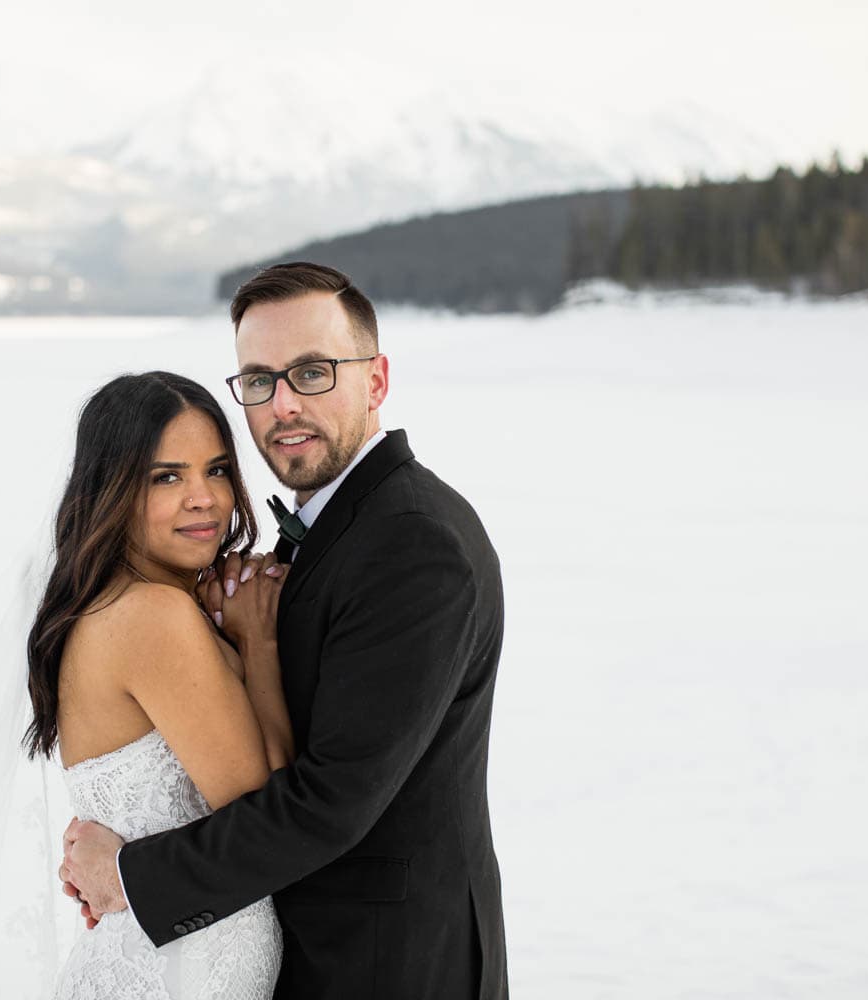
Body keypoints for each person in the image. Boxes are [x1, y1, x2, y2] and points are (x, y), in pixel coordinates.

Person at [62, 262, 509, 999]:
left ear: (376, 379)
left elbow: (328, 802)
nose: (282, 404)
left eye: (311, 372)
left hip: (388, 967)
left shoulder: (414, 544)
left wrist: (130, 874)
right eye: (260, 380)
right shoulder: (328, 535)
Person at [25, 371, 292, 998]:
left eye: (218, 470)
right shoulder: (152, 617)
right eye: (166, 477)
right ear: (112, 490)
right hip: (176, 972)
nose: (204, 498)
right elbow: (268, 813)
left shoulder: (120, 604)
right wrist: (260, 644)